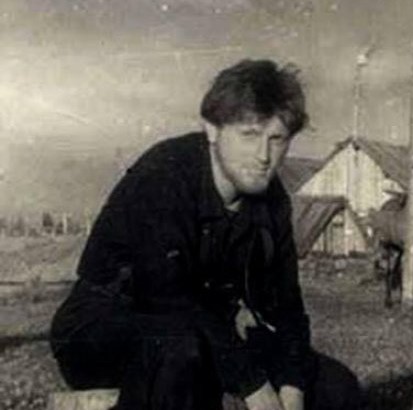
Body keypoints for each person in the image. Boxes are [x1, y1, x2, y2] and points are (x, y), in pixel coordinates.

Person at [50, 59, 359, 410]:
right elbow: (167, 297)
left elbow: (287, 306)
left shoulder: (272, 200)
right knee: (179, 349)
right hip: (102, 327)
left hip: (205, 331)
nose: (263, 156)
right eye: (249, 135)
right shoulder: (164, 174)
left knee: (335, 385)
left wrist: (292, 385)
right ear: (212, 129)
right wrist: (253, 385)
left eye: (277, 139)